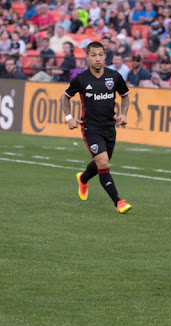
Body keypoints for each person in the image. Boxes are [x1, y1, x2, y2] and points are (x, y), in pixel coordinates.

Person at [61, 41, 131, 214]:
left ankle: (83, 178)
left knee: (102, 162)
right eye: (93, 55)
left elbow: (125, 96)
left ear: (105, 56)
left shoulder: (114, 76)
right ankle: (118, 202)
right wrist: (69, 117)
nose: (97, 59)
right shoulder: (81, 79)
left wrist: (123, 114)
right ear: (87, 57)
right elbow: (65, 98)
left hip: (110, 127)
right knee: (103, 162)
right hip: (90, 128)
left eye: (100, 54)